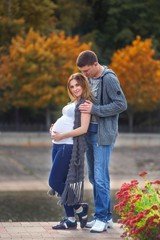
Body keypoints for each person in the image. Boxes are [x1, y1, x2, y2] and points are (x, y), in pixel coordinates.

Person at [76, 50, 127, 233]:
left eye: (87, 71)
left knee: (100, 175)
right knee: (93, 177)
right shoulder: (89, 79)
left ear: (96, 64)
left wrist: (95, 109)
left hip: (103, 134)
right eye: (82, 71)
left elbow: (121, 104)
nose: (85, 74)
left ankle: (101, 217)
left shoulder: (109, 78)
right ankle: (106, 218)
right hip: (90, 133)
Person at [48, 72, 92, 230]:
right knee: (64, 182)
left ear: (83, 84)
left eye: (77, 85)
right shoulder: (74, 102)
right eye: (72, 86)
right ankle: (71, 219)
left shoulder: (85, 103)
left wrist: (62, 136)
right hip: (58, 143)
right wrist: (54, 129)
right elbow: (67, 120)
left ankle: (80, 207)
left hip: (68, 145)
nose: (75, 89)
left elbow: (83, 128)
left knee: (54, 181)